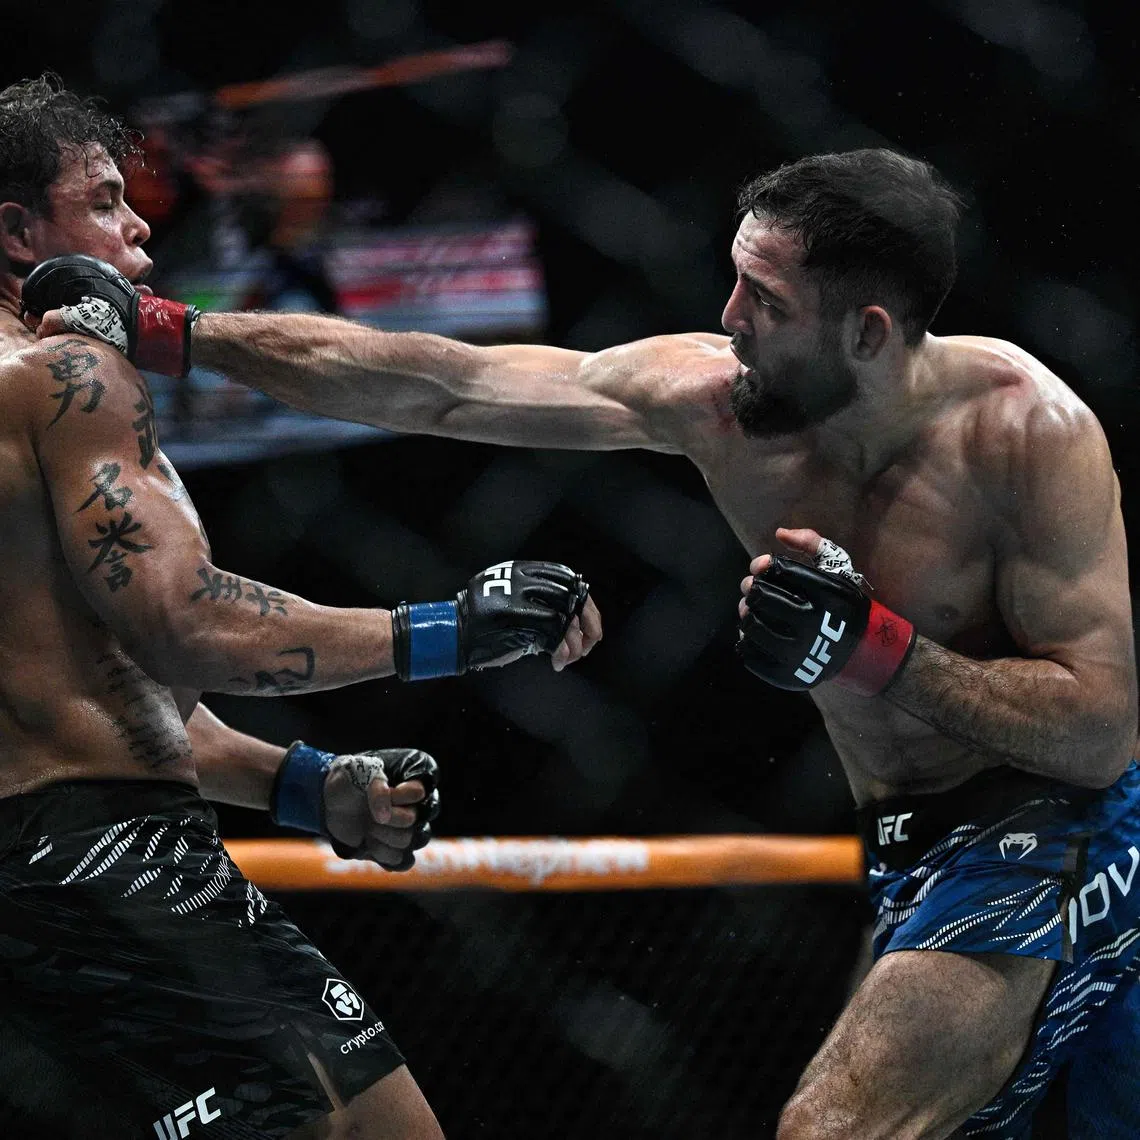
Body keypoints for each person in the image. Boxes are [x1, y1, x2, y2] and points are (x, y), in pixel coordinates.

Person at [39, 139, 1140, 1138]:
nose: (727, 318)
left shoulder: (1024, 434)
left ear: (868, 332)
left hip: (1055, 823)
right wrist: (177, 334)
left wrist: (880, 651)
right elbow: (448, 387)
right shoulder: (718, 405)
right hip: (909, 845)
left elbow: (1097, 732)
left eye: (764, 298)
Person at [0, 75, 601, 1140]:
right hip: (98, 856)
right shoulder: (62, 372)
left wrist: (308, 788)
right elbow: (186, 622)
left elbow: (94, 684)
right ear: (17, 231)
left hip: (76, 850)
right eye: (102, 198)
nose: (140, 223)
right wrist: (447, 631)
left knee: (389, 1124)